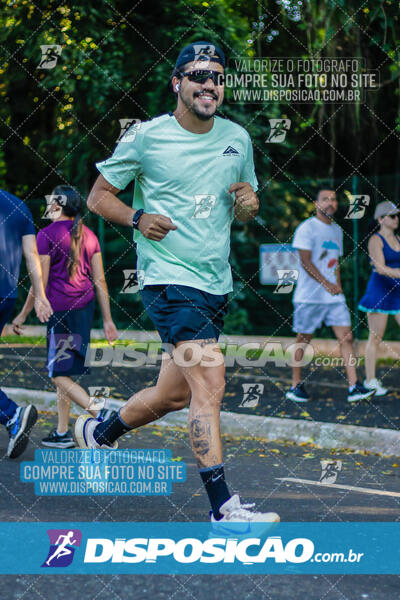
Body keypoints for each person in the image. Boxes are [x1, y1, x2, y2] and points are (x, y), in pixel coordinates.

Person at [74, 41, 280, 524]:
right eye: (198, 75)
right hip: (168, 280)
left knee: (174, 395)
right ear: (177, 83)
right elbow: (98, 196)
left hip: (215, 282)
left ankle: (99, 433)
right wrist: (137, 217)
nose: (210, 84)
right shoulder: (147, 138)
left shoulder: (237, 139)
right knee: (210, 383)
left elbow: (246, 209)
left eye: (218, 77)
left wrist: (250, 205)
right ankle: (223, 509)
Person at [12, 185, 118, 448]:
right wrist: (107, 320)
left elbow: (40, 282)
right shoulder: (90, 235)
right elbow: (100, 281)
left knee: (57, 375)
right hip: (84, 312)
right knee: (66, 373)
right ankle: (61, 433)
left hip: (60, 313)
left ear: (58, 206)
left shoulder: (46, 235)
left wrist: (24, 314)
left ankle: (100, 415)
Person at [285, 189, 375, 403]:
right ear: (316, 203)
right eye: (325, 199)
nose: (330, 203)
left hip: (334, 296)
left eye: (334, 199)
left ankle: (354, 386)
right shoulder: (306, 228)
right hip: (309, 296)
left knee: (347, 337)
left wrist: (338, 286)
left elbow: (335, 263)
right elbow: (305, 262)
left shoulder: (337, 230)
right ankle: (295, 386)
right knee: (303, 339)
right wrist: (326, 284)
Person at [0, 189, 53, 458]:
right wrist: (40, 296)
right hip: (6, 295)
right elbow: (32, 256)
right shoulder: (19, 205)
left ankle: (13, 415)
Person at [358, 201, 400, 396]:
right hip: (379, 292)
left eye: (397, 215)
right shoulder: (375, 240)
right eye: (392, 216)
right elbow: (380, 269)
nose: (397, 219)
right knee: (375, 338)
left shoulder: (398, 239)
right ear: (381, 219)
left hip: (397, 292)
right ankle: (370, 380)